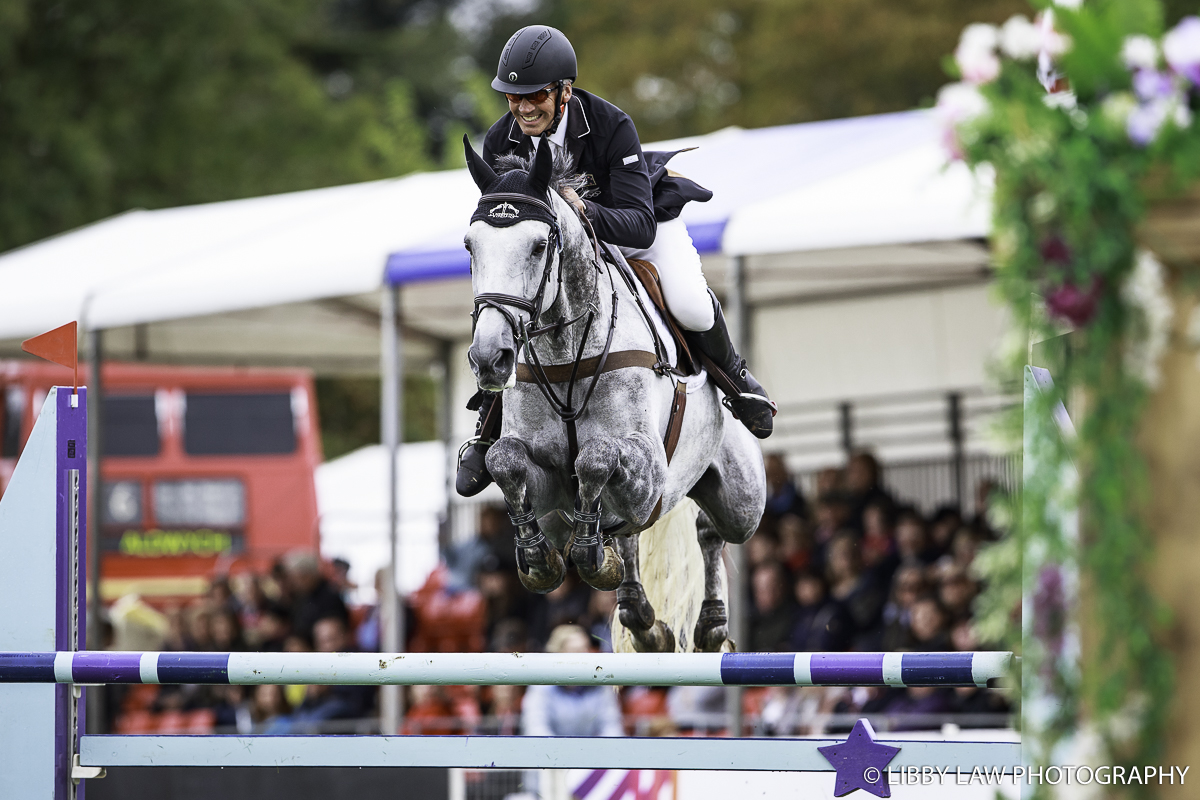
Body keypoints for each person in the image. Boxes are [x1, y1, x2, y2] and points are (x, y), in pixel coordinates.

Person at [456, 24, 775, 497]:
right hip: (559, 250)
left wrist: (580, 210)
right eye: (512, 97)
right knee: (520, 306)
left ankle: (736, 380)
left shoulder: (611, 125)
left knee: (688, 301)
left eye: (535, 95)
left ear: (564, 91)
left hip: (633, 227)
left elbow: (638, 224)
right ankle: (490, 424)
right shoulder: (501, 140)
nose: (523, 108)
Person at [521, 624, 624, 736]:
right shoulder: (541, 687)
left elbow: (612, 728)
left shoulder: (601, 686)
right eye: (576, 651)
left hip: (591, 751)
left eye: (585, 649)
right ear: (557, 654)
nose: (583, 656)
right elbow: (536, 729)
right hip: (552, 751)